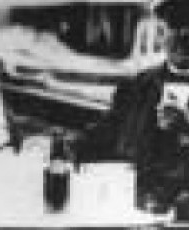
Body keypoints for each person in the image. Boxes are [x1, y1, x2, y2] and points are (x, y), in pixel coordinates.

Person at [72, 20, 189, 216]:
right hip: (135, 203)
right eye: (176, 29)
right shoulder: (138, 85)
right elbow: (108, 131)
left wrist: (185, 127)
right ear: (164, 36)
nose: (183, 38)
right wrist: (73, 147)